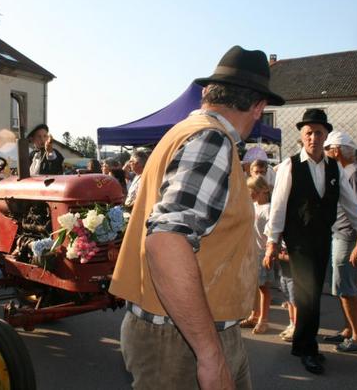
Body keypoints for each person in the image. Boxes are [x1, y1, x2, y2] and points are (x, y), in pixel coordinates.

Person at [110, 45, 285, 389]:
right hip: (180, 341)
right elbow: (166, 240)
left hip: (182, 331)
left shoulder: (185, 133)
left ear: (208, 94)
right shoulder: (211, 140)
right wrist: (210, 355)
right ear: (258, 107)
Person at [263, 108, 357, 375]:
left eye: (318, 132)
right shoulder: (289, 165)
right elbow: (278, 207)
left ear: (326, 136)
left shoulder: (334, 168)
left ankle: (301, 344)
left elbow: (352, 205)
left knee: (313, 292)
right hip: (298, 240)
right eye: (308, 133)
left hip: (321, 238)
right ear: (302, 136)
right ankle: (308, 349)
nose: (313, 137)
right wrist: (272, 242)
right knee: (308, 295)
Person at [321, 131, 357, 353]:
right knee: (342, 287)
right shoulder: (346, 171)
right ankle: (348, 330)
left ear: (337, 150)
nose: (325, 153)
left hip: (348, 237)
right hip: (341, 234)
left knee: (347, 288)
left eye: (327, 149)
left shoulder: (353, 172)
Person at [244, 175, 274, 335]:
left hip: (262, 252)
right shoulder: (254, 206)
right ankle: (254, 315)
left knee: (263, 288)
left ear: (260, 191)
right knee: (255, 286)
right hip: (252, 252)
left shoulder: (268, 208)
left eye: (251, 190)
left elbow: (270, 231)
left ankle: (263, 319)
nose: (249, 193)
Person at [277, 244, 296, 342]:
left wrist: (280, 256)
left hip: (294, 274)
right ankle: (292, 324)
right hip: (284, 272)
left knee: (295, 301)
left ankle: (297, 327)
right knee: (289, 300)